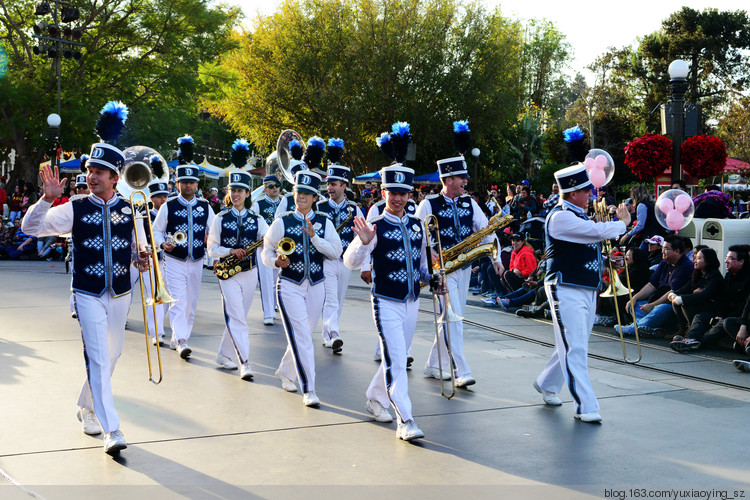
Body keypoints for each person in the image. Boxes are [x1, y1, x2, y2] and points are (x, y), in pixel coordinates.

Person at [22, 101, 148, 455]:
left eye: (100, 171)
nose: (91, 176)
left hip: (121, 293)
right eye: (90, 169)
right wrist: (45, 202)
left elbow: (139, 250)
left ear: (114, 177)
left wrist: (141, 259)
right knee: (98, 357)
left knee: (112, 355)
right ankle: (113, 429)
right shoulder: (74, 207)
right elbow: (30, 228)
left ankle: (87, 406)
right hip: (88, 292)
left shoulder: (131, 207)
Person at [534, 163, 631, 423]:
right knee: (575, 346)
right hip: (564, 286)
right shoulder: (560, 216)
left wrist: (609, 261)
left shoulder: (580, 215)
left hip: (586, 287)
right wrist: (621, 224)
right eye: (586, 191)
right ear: (572, 192)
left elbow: (587, 246)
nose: (590, 195)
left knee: (573, 343)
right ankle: (586, 405)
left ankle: (547, 383)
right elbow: (595, 233)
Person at [344, 161, 431, 441]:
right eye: (391, 192)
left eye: (402, 193)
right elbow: (350, 261)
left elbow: (423, 266)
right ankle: (406, 420)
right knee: (397, 359)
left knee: (395, 356)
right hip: (385, 301)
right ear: (383, 193)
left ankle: (375, 398)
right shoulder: (375, 225)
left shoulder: (418, 225)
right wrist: (363, 242)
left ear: (410, 196)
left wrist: (434, 280)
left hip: (412, 301)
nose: (396, 198)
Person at [416, 120, 503, 388]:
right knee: (453, 318)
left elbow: (487, 231)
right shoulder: (428, 203)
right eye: (461, 177)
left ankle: (433, 364)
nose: (466, 181)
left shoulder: (469, 202)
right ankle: (460, 370)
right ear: (447, 179)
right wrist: (427, 271)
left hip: (463, 267)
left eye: (465, 177)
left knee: (451, 318)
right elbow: (420, 241)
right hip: (441, 268)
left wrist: (496, 258)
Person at [261, 170, 342, 407]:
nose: (302, 197)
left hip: (316, 284)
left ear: (315, 197)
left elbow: (336, 252)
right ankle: (310, 389)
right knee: (303, 337)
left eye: (307, 194)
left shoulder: (325, 222)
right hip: (289, 284)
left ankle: (286, 372)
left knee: (304, 333)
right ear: (293, 194)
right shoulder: (282, 221)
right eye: (298, 193)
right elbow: (266, 250)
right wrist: (276, 261)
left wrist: (315, 237)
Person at [152, 136, 215, 360]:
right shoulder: (169, 205)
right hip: (174, 260)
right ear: (177, 183)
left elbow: (214, 232)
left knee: (191, 304)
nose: (188, 186)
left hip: (197, 260)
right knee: (177, 300)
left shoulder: (206, 206)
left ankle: (179, 336)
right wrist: (162, 243)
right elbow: (156, 230)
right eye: (184, 182)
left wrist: (214, 252)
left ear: (197, 184)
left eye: (192, 182)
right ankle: (182, 340)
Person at [208, 170, 268, 380]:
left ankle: (224, 354)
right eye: (233, 190)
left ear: (248, 193)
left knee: (238, 316)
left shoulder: (257, 218)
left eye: (240, 191)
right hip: (227, 273)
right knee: (237, 317)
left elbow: (268, 241)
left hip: (250, 272)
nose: (236, 194)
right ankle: (245, 361)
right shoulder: (220, 218)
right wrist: (229, 251)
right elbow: (211, 248)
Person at [315, 139, 364, 353]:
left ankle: (329, 333)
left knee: (339, 299)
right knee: (330, 298)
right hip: (326, 260)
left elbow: (363, 236)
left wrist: (363, 262)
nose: (329, 188)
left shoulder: (354, 209)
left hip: (345, 260)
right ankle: (333, 333)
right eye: (328, 184)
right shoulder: (319, 206)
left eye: (333, 184)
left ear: (344, 186)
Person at [616, 235, 693, 336]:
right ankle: (651, 329)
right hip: (655, 300)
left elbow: (672, 292)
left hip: (672, 307)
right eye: (663, 248)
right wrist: (634, 298)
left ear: (677, 251)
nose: (662, 251)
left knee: (659, 309)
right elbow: (651, 285)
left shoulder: (685, 266)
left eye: (666, 249)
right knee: (635, 305)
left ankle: (633, 329)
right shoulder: (664, 263)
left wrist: (652, 305)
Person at [668, 248, 724, 351]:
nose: (694, 260)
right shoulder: (698, 274)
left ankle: (690, 338)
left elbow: (704, 295)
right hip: (704, 306)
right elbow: (686, 288)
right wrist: (674, 294)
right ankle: (683, 329)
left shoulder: (715, 277)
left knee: (695, 312)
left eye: (698, 258)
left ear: (708, 261)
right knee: (678, 302)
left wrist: (682, 298)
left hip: (714, 311)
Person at [251, 174, 283, 325]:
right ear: (265, 189)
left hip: (282, 247)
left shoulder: (285, 201)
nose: (275, 189)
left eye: (277, 186)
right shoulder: (258, 203)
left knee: (280, 279)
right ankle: (268, 313)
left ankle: (278, 305)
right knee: (265, 279)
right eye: (271, 186)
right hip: (264, 246)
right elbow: (253, 224)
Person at [143, 175, 170, 346]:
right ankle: (157, 332)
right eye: (159, 196)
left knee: (166, 297)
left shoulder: (170, 214)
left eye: (165, 196)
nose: (163, 199)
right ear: (152, 198)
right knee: (154, 297)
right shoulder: (144, 216)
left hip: (168, 261)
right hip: (150, 261)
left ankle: (157, 326)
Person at [619, 184, 662, 249]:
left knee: (639, 256)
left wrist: (627, 235)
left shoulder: (641, 205)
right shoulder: (651, 203)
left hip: (649, 236)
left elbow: (640, 225)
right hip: (657, 234)